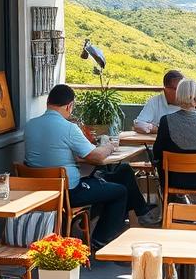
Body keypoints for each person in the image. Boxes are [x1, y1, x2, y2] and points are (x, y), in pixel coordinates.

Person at [25, 84, 161, 249]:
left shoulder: (30, 125)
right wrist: (110, 146)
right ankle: (100, 240)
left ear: (48, 102)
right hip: (69, 192)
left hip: (39, 191)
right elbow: (96, 157)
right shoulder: (68, 128)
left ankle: (140, 214)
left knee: (123, 172)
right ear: (69, 106)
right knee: (120, 191)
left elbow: (52, 150)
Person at [151, 78, 196, 195]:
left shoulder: (165, 121)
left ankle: (169, 207)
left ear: (178, 94)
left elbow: (157, 152)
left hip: (173, 180)